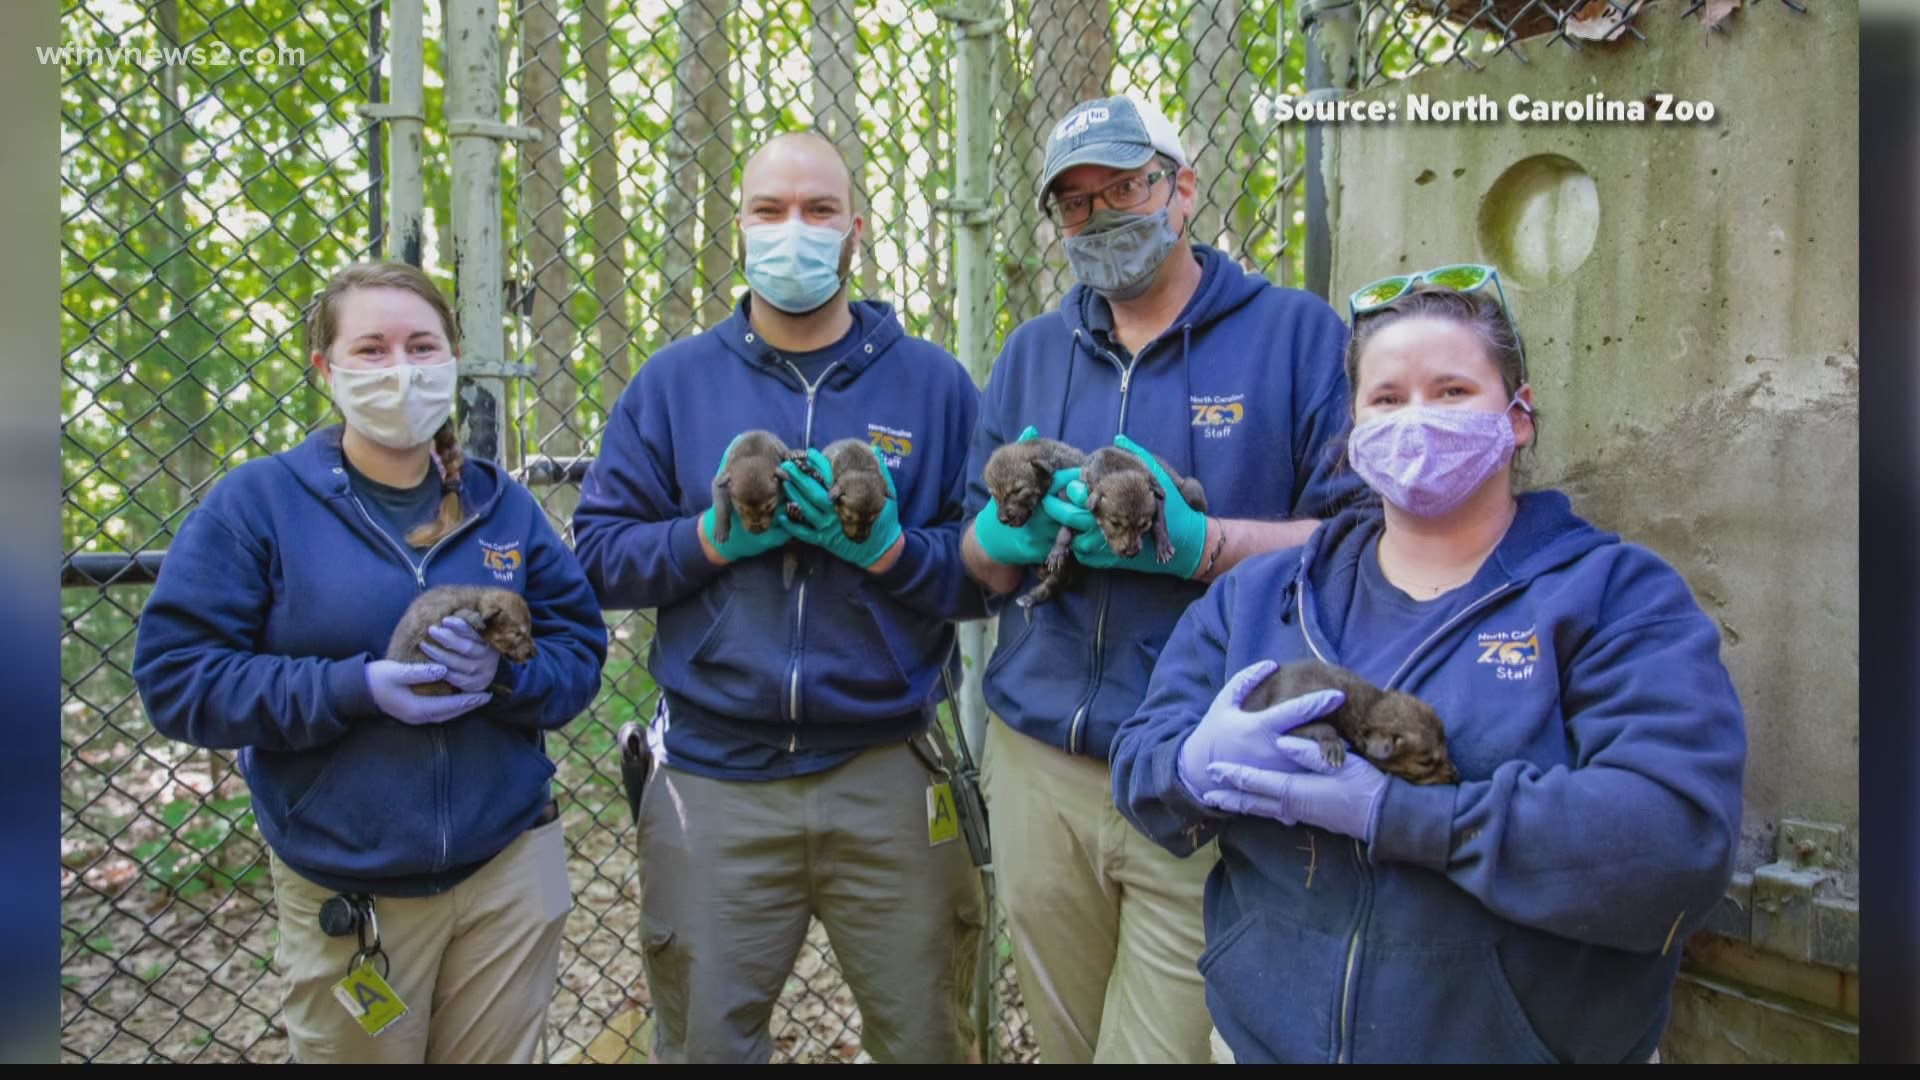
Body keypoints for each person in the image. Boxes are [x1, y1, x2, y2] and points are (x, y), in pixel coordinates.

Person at [1109, 265, 1747, 1063]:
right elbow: (1140, 763)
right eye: (1386, 399)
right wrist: (1193, 768)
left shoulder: (1615, 597)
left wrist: (1410, 819)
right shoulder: (1264, 596)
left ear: (1518, 418)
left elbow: (1675, 842)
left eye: (1452, 393)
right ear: (1353, 431)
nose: (1417, 421)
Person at [958, 93, 1369, 1064]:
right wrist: (1001, 541)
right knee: (1064, 1044)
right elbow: (965, 566)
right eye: (1075, 203)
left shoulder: (1295, 338)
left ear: (1181, 191)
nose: (1102, 217)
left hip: (1200, 763)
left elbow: (1362, 547)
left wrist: (1204, 546)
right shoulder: (1028, 355)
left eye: (1125, 188)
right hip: (1037, 766)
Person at [570, 130, 989, 1064]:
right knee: (707, 1044)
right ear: (741, 229)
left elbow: (985, 575)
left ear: (856, 232)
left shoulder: (934, 386)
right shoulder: (674, 384)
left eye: (817, 210)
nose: (792, 230)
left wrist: (888, 553)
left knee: (929, 1037)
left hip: (888, 764)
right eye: (769, 211)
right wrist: (711, 540)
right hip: (717, 775)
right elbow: (597, 555)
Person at [131, 260, 610, 1063]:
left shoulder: (504, 506)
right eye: (373, 349)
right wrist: (351, 688)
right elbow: (178, 680)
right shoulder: (260, 505)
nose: (401, 371)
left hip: (508, 866)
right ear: (326, 369)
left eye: (423, 347)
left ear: (454, 359)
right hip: (352, 885)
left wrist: (504, 678)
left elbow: (579, 655)